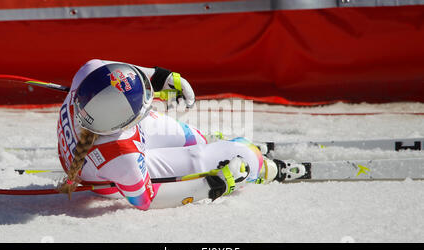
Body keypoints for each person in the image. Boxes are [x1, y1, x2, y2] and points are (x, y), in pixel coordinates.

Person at [56, 59, 278, 210]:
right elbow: (145, 201)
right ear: (127, 121)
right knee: (245, 154)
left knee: (196, 138)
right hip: (115, 171)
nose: (153, 101)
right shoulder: (124, 160)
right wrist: (212, 186)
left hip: (109, 145)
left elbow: (115, 71)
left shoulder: (91, 70)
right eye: (143, 103)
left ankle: (208, 143)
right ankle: (263, 168)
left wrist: (161, 77)